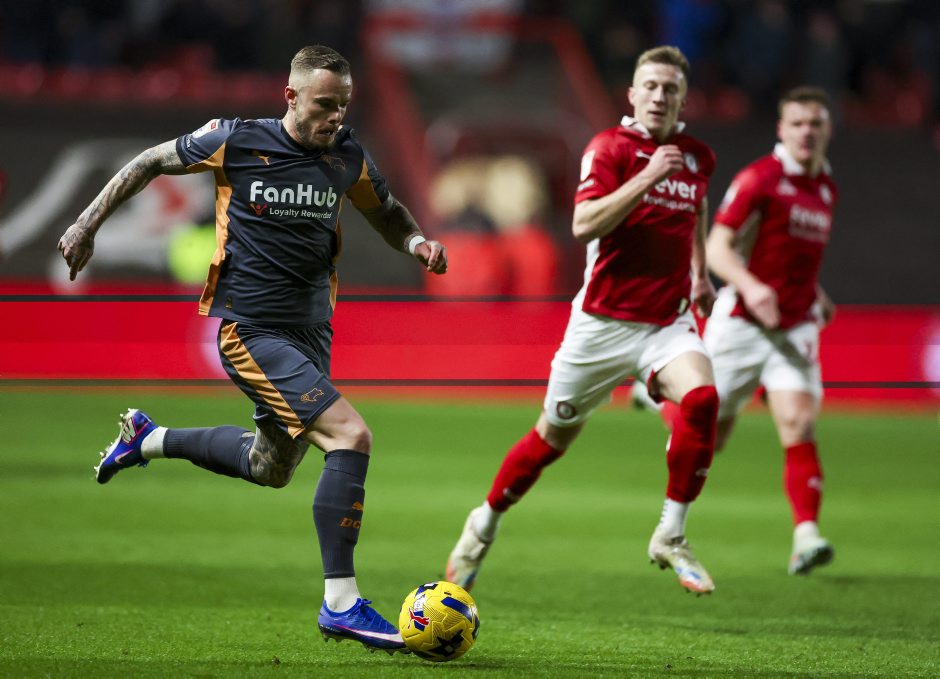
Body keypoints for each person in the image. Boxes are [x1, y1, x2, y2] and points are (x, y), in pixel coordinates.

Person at [57, 45, 447, 653]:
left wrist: (417, 242)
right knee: (351, 436)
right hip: (251, 330)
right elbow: (150, 161)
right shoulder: (236, 140)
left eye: (344, 106)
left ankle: (149, 438)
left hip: (312, 332)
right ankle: (341, 603)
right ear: (290, 96)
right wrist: (86, 224)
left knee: (271, 467)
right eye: (324, 104)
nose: (336, 117)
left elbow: (387, 211)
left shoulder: (347, 155)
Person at [446, 46, 721, 596]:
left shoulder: (697, 157)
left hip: (666, 323)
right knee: (550, 439)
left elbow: (697, 209)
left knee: (703, 400)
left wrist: (700, 272)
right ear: (633, 94)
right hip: (601, 325)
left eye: (670, 88)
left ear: (683, 99)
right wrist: (647, 178)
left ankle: (671, 534)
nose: (659, 96)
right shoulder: (609, 148)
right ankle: (483, 525)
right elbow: (583, 224)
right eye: (650, 86)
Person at [703, 86, 837, 576]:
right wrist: (751, 286)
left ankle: (806, 536)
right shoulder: (759, 178)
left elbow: (794, 256)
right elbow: (717, 248)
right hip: (743, 322)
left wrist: (816, 294)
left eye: (815, 123)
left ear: (827, 130)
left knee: (799, 423)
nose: (807, 131)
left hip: (795, 325)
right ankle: (657, 392)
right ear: (781, 129)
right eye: (797, 122)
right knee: (708, 439)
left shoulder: (825, 186)